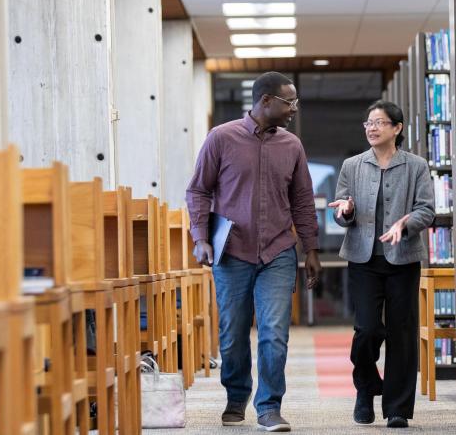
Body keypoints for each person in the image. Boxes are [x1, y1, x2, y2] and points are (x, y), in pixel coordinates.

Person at [186, 71, 322, 432]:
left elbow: (303, 200)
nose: (294, 108)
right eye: (288, 102)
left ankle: (269, 406)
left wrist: (311, 247)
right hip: (231, 252)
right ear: (265, 101)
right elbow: (198, 190)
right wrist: (200, 236)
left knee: (275, 332)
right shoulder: (221, 138)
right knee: (232, 333)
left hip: (278, 250)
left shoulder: (292, 145)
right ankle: (235, 396)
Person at [327, 100, 435, 428]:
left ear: (397, 128)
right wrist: (344, 211)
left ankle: (398, 407)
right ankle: (366, 386)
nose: (372, 128)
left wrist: (406, 224)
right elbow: (341, 212)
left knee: (402, 333)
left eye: (379, 122)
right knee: (367, 330)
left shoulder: (416, 166)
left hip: (402, 259)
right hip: (363, 259)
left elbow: (427, 210)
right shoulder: (352, 165)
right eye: (368, 123)